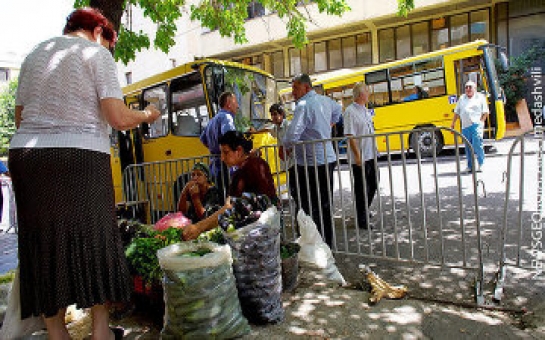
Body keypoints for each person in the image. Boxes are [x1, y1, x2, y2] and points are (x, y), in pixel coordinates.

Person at [9, 8, 160, 340]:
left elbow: (20, 117)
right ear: (98, 32)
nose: (109, 48)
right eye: (109, 41)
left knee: (46, 243)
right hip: (79, 156)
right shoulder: (96, 53)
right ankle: (101, 329)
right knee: (96, 238)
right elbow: (118, 117)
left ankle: (55, 331)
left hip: (27, 156)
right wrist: (148, 114)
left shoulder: (36, 54)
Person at [282, 74, 342, 247]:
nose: (292, 92)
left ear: (306, 88)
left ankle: (314, 244)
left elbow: (293, 134)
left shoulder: (303, 104)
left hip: (310, 163)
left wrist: (285, 145)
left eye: (295, 88)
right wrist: (327, 126)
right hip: (327, 159)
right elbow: (338, 112)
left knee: (308, 205)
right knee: (325, 204)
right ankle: (327, 243)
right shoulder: (326, 101)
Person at [183, 131, 277, 240]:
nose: (222, 158)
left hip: (259, 232)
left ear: (239, 151)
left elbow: (230, 207)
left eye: (225, 152)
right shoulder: (258, 163)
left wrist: (198, 227)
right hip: (268, 225)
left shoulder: (246, 170)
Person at [343, 82, 378, 229]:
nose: (368, 94)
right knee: (361, 188)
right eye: (366, 92)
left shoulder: (364, 109)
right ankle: (362, 219)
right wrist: (357, 156)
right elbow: (350, 136)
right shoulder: (350, 111)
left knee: (373, 185)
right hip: (361, 157)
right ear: (360, 95)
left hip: (371, 154)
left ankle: (363, 210)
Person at [200, 91, 239, 198]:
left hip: (215, 167)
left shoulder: (212, 120)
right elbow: (229, 135)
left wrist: (215, 150)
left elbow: (203, 139)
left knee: (221, 197)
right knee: (230, 198)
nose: (238, 106)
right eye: (235, 102)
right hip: (227, 167)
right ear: (228, 103)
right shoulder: (226, 117)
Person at [450, 80, 489, 173]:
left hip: (476, 125)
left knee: (477, 144)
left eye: (470, 87)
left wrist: (480, 122)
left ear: (475, 89)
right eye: (466, 87)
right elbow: (457, 112)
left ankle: (481, 163)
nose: (468, 89)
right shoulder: (462, 98)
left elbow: (486, 112)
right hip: (465, 126)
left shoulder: (480, 97)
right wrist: (453, 123)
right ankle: (470, 166)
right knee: (467, 147)